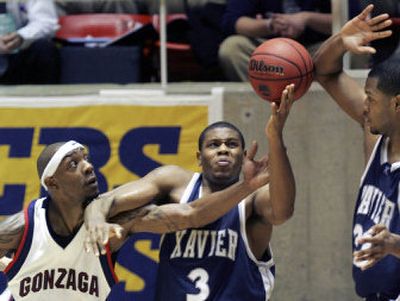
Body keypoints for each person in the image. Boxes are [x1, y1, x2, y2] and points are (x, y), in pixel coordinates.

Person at [0, 117, 271, 300]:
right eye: (74, 164)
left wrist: (246, 186)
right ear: (52, 183)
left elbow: (191, 215)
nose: (88, 166)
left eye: (86, 159)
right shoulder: (23, 228)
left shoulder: (122, 221)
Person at [84, 84, 297, 300]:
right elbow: (109, 200)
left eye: (231, 144)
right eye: (214, 145)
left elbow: (284, 210)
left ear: (243, 157)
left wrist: (275, 138)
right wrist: (95, 219)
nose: (223, 149)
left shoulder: (253, 198)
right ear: (199, 158)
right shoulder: (174, 181)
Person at [313, 4, 400, 300]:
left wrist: (394, 245)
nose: (364, 107)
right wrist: (340, 41)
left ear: (396, 104)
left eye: (371, 100)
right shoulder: (376, 138)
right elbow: (324, 72)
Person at [218, 0, 333, 81]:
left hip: (315, 50)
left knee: (346, 48)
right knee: (232, 47)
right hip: (268, 52)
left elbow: (346, 20)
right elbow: (233, 21)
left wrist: (306, 18)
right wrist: (270, 25)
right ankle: (265, 98)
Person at [0, 0, 60, 84]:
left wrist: (22, 36)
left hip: (20, 50)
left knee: (44, 48)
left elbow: (45, 22)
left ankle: (43, 94)